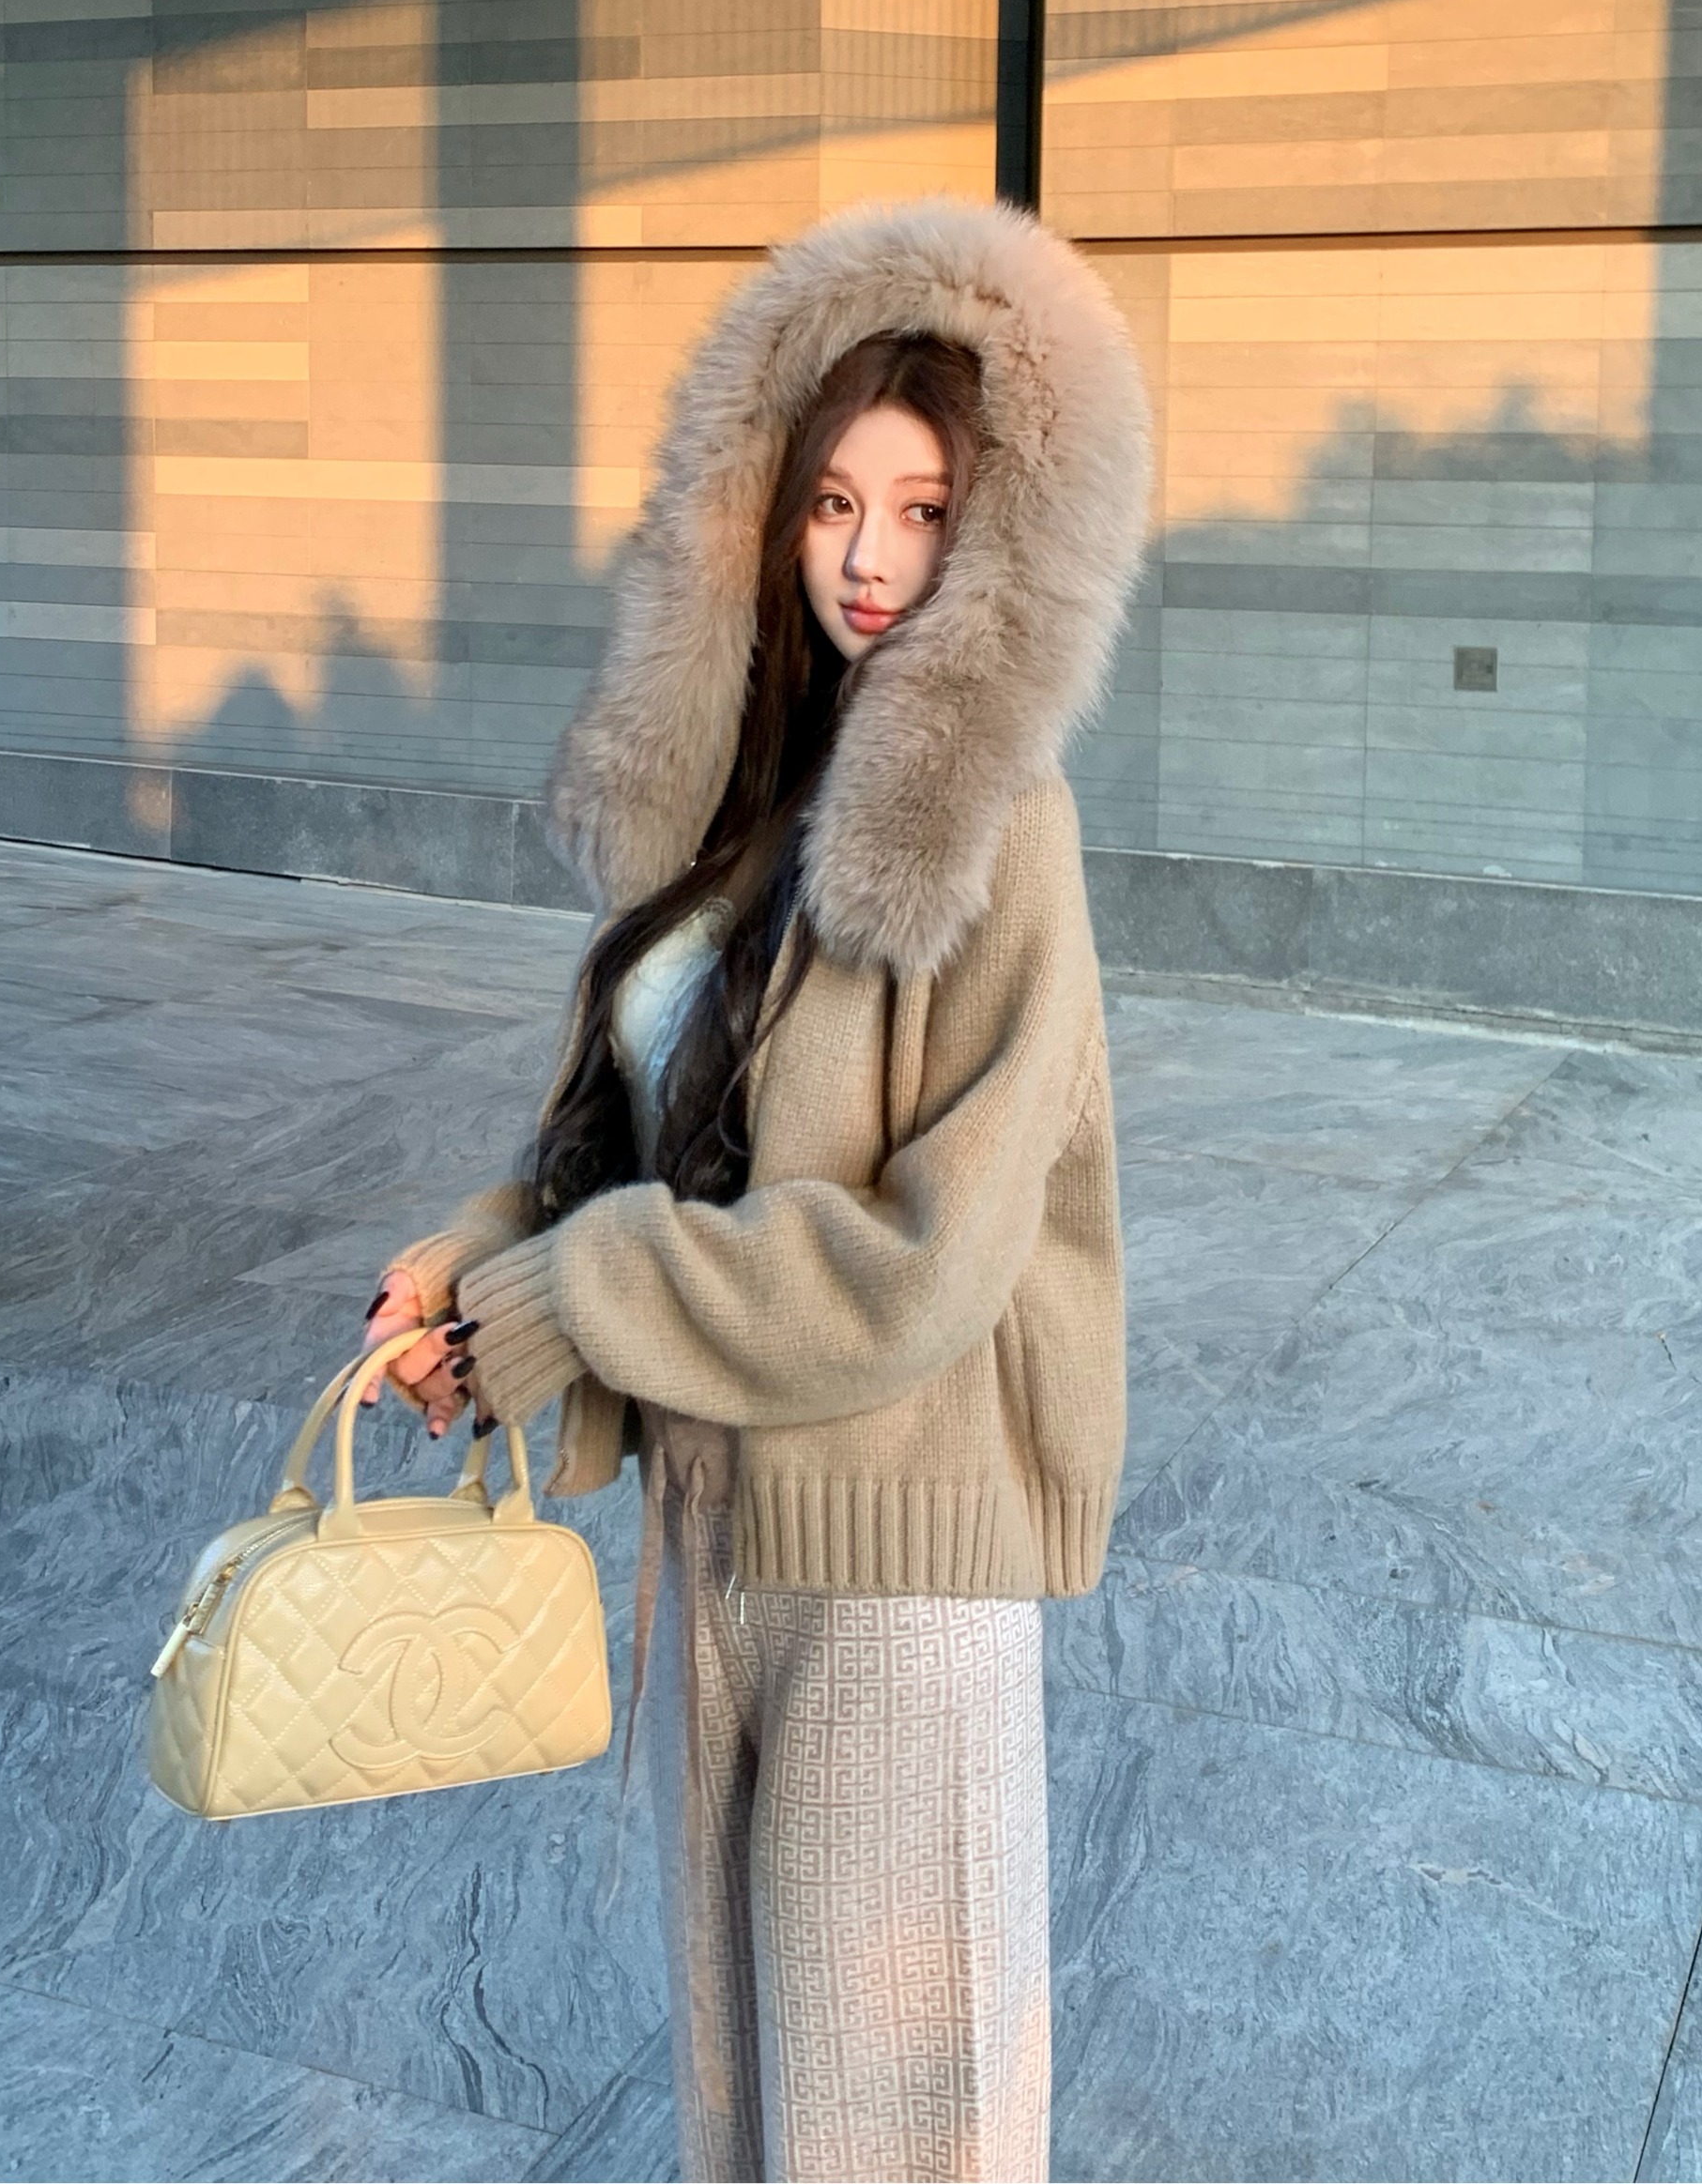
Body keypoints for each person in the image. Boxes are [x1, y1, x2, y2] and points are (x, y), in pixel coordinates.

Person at [354, 196, 1152, 2184]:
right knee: (746, 2106)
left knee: (899, 2131)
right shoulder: (744, 799)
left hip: (893, 1560)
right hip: (711, 1523)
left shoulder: (1002, 829)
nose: (871, 558)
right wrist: (477, 1265)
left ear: (999, 535)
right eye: (831, 506)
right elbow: (633, 1145)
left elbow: (919, 1263)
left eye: (924, 510)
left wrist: (572, 1299)